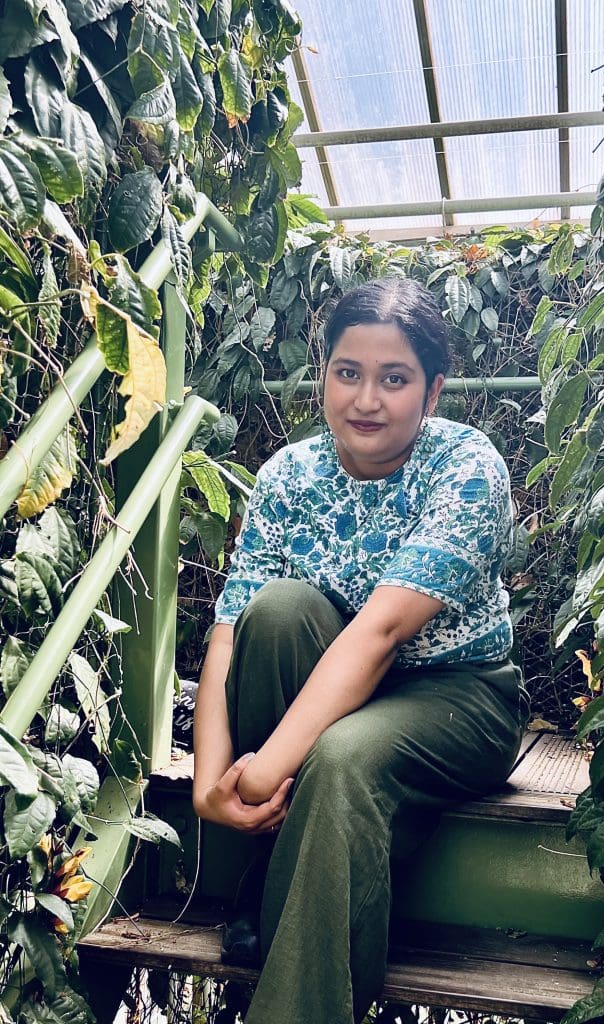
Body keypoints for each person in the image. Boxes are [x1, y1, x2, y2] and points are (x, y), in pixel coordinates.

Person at [192, 277, 528, 1024]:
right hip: (332, 678)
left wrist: (257, 779)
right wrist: (207, 781)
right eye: (348, 373)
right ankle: (269, 874)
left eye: (394, 379)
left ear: (432, 391)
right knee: (277, 612)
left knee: (342, 755)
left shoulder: (467, 467)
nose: (366, 400)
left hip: (457, 695)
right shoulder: (289, 475)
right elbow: (229, 630)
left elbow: (379, 633)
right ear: (324, 377)